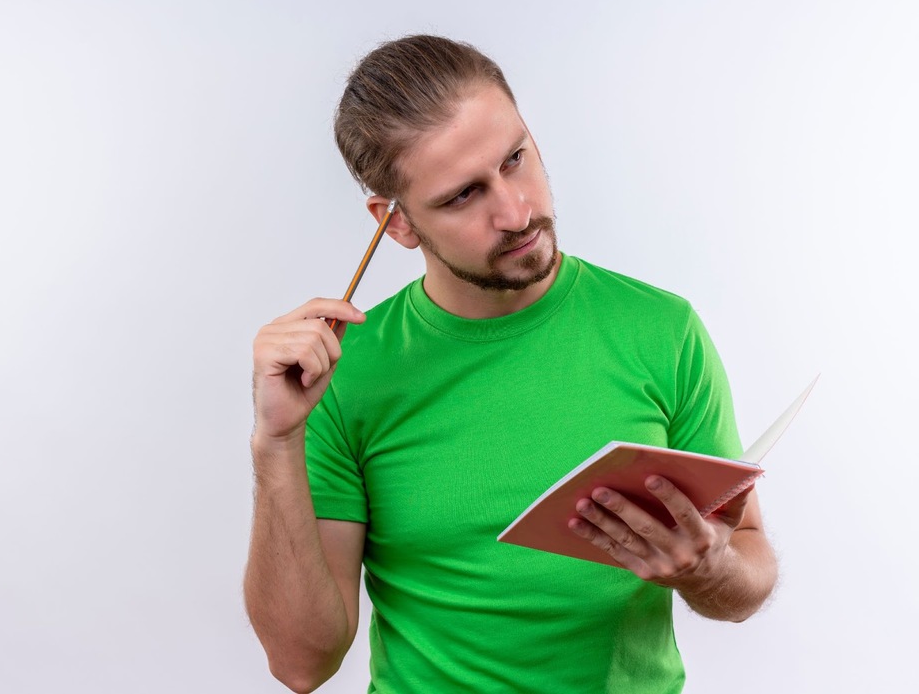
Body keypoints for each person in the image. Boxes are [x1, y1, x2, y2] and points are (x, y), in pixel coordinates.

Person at [245, 34, 777, 693]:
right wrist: (277, 441)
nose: (517, 210)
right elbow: (303, 663)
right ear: (396, 222)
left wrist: (707, 565)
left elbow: (747, 576)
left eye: (516, 158)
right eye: (464, 195)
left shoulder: (664, 330)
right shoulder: (342, 372)